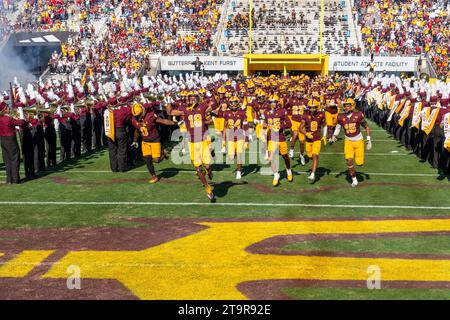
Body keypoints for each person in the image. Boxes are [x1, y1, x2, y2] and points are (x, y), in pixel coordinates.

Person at [170, 91, 215, 201]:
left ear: (198, 98)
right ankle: (208, 188)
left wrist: (214, 112)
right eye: (190, 98)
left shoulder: (203, 106)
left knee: (208, 166)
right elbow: (170, 112)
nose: (192, 99)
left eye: (194, 97)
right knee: (198, 169)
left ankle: (209, 172)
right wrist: (167, 101)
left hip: (203, 141)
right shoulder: (184, 109)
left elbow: (213, 107)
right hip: (192, 143)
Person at [331, 98, 372, 187]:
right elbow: (338, 127)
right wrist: (335, 135)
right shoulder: (341, 116)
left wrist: (368, 139)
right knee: (349, 160)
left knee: (360, 163)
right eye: (345, 105)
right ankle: (354, 179)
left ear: (352, 106)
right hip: (348, 141)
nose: (346, 107)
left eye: (348, 105)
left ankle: (357, 169)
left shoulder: (358, 115)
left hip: (358, 141)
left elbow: (366, 127)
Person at [131, 102, 175, 183]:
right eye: (136, 116)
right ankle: (154, 176)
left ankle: (164, 154)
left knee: (156, 160)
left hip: (155, 140)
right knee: (147, 160)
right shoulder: (134, 119)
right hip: (145, 142)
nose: (137, 117)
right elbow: (137, 130)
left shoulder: (150, 115)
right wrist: (134, 140)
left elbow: (164, 121)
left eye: (138, 115)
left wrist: (175, 123)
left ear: (142, 111)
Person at [261, 94, 293, 186]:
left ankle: (288, 170)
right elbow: (265, 123)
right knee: (271, 157)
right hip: (271, 136)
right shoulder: (266, 112)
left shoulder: (282, 111)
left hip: (280, 136)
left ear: (277, 102)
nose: (273, 104)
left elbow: (289, 124)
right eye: (271, 102)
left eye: (274, 102)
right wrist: (263, 132)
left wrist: (280, 127)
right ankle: (276, 174)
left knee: (285, 156)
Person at [300, 99, 326, 182]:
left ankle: (313, 174)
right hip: (308, 141)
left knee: (315, 156)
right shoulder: (305, 115)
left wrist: (324, 136)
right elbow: (300, 128)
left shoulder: (321, 114)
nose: (312, 109)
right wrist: (306, 133)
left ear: (317, 107)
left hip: (317, 139)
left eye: (314, 107)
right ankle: (314, 166)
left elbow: (325, 125)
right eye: (311, 108)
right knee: (310, 156)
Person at [223, 95, 248, 179]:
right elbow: (224, 127)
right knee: (231, 156)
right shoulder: (226, 113)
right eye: (232, 103)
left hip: (240, 136)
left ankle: (239, 171)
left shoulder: (242, 113)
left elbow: (245, 126)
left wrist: (247, 139)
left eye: (235, 102)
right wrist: (223, 142)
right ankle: (238, 164)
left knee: (239, 154)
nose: (233, 104)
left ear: (238, 103)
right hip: (230, 137)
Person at [0, 102, 26, 184]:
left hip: (3, 140)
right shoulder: (8, 119)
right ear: (4, 109)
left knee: (7, 160)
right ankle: (15, 180)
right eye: (7, 107)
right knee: (15, 158)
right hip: (10, 140)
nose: (9, 108)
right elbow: (21, 123)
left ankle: (9, 179)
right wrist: (21, 116)